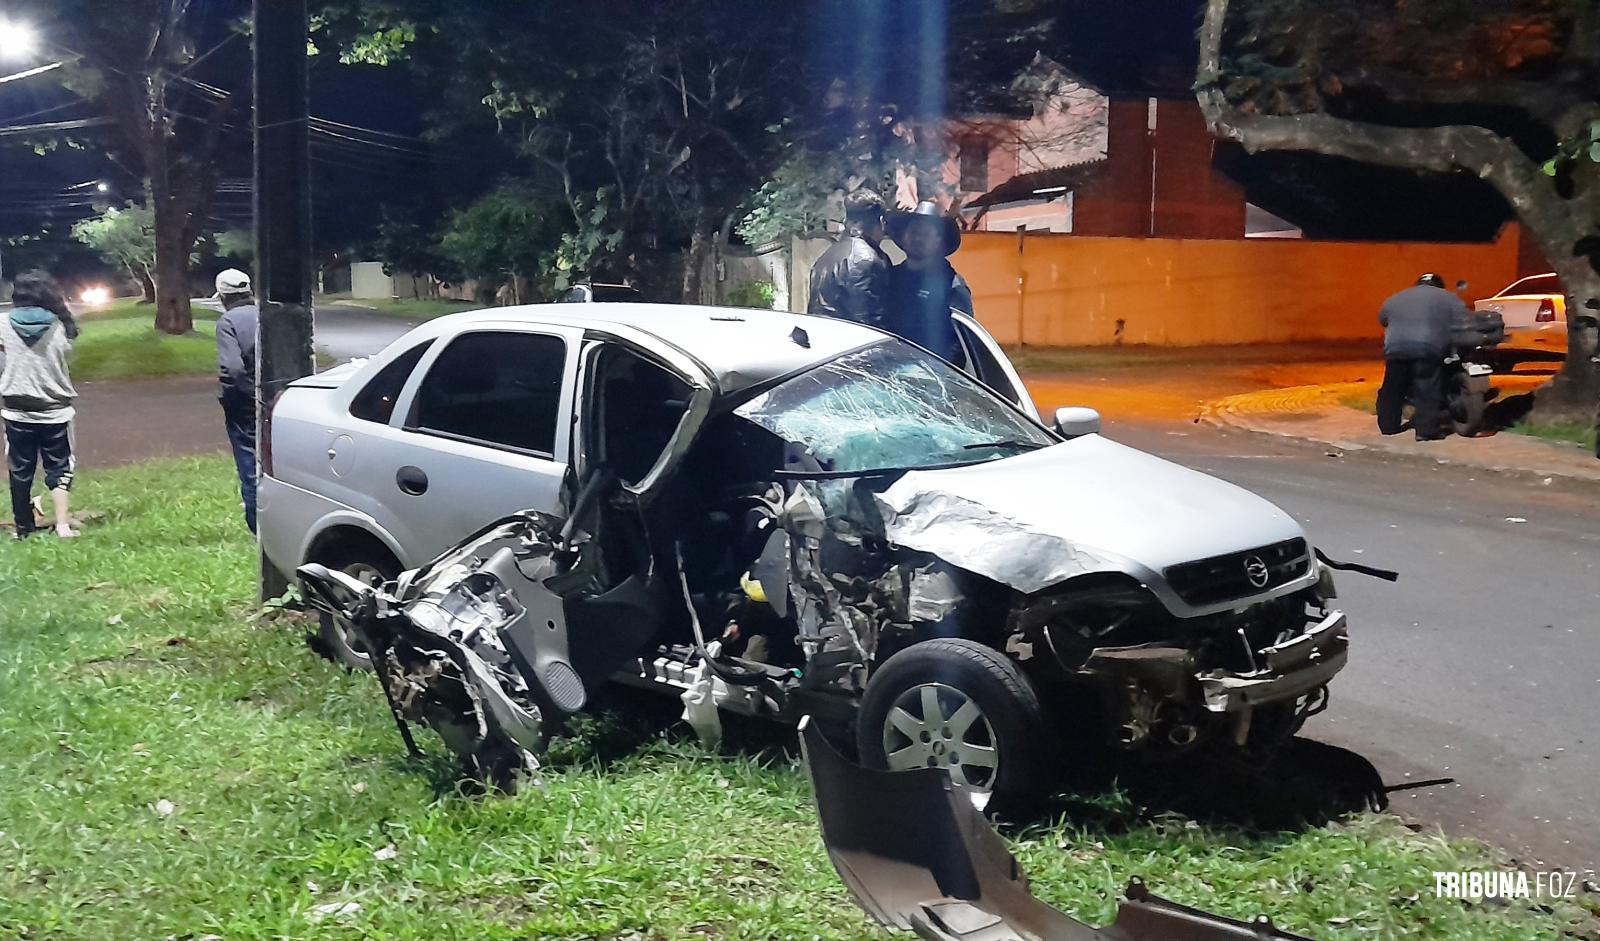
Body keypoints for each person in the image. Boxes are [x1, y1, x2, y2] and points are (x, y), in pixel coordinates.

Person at [0, 270, 81, 539]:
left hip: (16, 409)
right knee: (59, 467)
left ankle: (24, 528)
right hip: (56, 409)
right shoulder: (61, 325)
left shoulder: (3, 323)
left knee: (20, 470)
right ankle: (62, 525)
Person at [1376, 273, 1470, 441]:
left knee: (1392, 389)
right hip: (1428, 348)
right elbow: (1465, 322)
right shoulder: (1449, 298)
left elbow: (1383, 319)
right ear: (1439, 286)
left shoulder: (1395, 298)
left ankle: (1388, 426)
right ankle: (1426, 431)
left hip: (1396, 349)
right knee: (1427, 388)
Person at [885, 200, 971, 362]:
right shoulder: (889, 278)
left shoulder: (952, 286)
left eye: (925, 233)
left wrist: (939, 376)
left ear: (939, 240)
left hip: (931, 378)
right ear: (904, 237)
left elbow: (961, 344)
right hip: (889, 374)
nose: (918, 238)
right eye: (913, 232)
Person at [214, 269, 259, 534]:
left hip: (246, 406)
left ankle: (258, 526)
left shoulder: (228, 322)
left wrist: (237, 398)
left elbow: (232, 369)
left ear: (222, 296)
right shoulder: (265, 316)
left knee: (249, 463)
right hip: (279, 399)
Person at [808, 188, 890, 327]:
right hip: (850, 342)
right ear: (881, 222)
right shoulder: (867, 260)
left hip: (824, 340)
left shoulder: (826, 256)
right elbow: (868, 322)